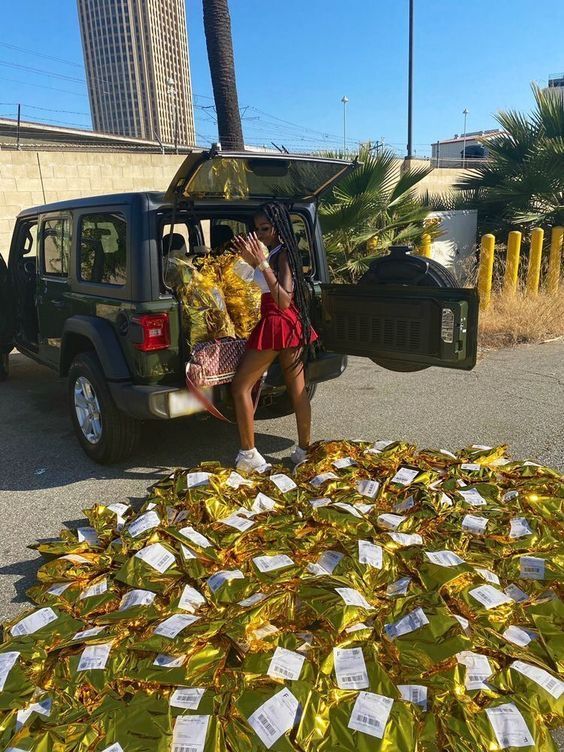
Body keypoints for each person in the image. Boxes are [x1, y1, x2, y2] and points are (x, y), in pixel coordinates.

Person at [230, 202, 318, 472]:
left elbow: (282, 299)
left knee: (241, 386)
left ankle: (249, 455)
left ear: (279, 228)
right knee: (297, 388)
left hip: (278, 322)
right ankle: (304, 450)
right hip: (284, 324)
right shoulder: (276, 252)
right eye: (257, 229)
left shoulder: (283, 256)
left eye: (265, 228)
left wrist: (262, 264)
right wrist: (249, 261)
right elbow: (253, 283)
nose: (261, 234)